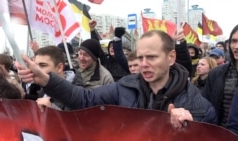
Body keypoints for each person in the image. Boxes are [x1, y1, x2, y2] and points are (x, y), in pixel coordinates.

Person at [17, 30, 217, 128]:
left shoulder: (199, 108)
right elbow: (83, 99)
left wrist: (190, 130)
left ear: (171, 57)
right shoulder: (125, 87)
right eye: (140, 58)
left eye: (152, 57)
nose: (144, 64)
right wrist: (47, 80)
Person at [202, 24, 238, 134]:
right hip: (219, 134)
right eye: (234, 41)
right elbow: (205, 106)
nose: (236, 46)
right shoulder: (216, 73)